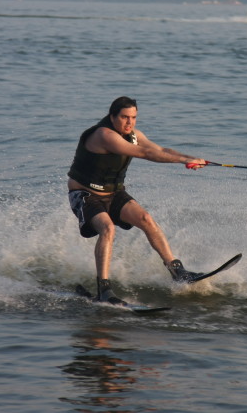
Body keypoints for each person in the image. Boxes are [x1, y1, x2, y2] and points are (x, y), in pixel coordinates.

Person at [67, 96, 207, 303]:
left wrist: (192, 158)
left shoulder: (133, 134)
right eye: (124, 117)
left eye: (133, 118)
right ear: (112, 116)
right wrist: (184, 161)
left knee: (145, 219)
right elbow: (143, 153)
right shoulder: (104, 135)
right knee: (108, 228)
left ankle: (178, 272)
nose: (129, 122)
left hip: (113, 193)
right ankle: (104, 290)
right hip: (85, 195)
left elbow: (160, 150)